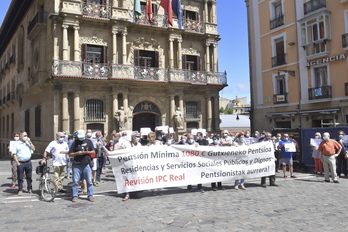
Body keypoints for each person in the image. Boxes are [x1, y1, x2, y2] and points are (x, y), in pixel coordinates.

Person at [69, 129, 95, 202]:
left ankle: (90, 195)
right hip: (76, 164)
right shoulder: (75, 142)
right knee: (75, 181)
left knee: (89, 181)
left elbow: (93, 151)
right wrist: (77, 153)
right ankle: (75, 196)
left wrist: (86, 152)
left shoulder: (89, 141)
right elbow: (70, 154)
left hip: (86, 164)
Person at [11, 131, 35, 195]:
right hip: (21, 163)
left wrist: (30, 142)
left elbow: (33, 149)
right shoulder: (16, 144)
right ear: (20, 136)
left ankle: (29, 188)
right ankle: (20, 190)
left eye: (26, 135)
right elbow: (14, 154)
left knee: (29, 176)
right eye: (24, 136)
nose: (26, 137)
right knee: (20, 177)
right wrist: (17, 162)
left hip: (28, 162)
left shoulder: (27, 143)